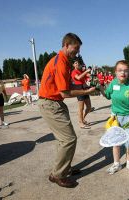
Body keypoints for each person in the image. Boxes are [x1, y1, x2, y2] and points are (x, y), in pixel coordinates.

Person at [37, 33, 95, 188]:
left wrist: (84, 87)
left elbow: (66, 87)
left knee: (63, 140)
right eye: (75, 49)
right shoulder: (61, 63)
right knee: (69, 139)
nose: (76, 53)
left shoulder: (63, 60)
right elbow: (65, 93)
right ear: (66, 45)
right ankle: (57, 175)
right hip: (50, 104)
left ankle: (64, 168)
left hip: (54, 103)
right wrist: (85, 92)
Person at [100, 60, 129, 175]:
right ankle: (117, 164)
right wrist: (100, 89)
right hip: (115, 117)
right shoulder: (113, 83)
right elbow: (108, 96)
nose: (123, 73)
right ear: (115, 72)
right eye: (120, 70)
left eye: (125, 71)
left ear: (128, 72)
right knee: (115, 142)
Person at [71, 58, 92, 129]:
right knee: (81, 108)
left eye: (78, 63)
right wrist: (86, 71)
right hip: (79, 89)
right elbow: (79, 78)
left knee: (89, 107)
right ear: (73, 65)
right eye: (75, 63)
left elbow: (87, 76)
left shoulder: (80, 71)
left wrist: (91, 74)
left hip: (85, 88)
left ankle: (82, 119)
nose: (77, 64)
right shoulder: (74, 72)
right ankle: (81, 123)